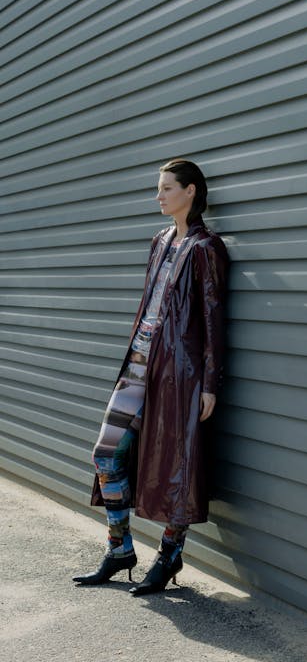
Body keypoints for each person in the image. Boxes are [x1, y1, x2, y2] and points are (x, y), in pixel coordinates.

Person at [73, 158, 229, 596]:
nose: (158, 196)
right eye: (158, 189)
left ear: (190, 191)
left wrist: (212, 382)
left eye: (166, 188)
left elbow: (214, 319)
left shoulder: (207, 248)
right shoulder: (160, 241)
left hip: (180, 372)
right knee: (106, 456)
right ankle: (120, 548)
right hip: (140, 365)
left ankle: (169, 554)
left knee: (179, 464)